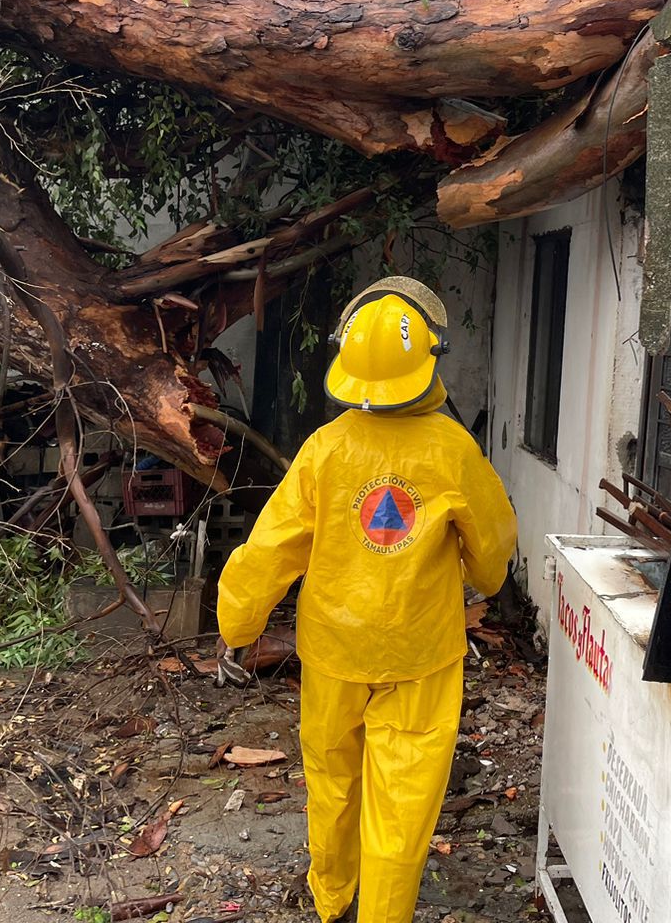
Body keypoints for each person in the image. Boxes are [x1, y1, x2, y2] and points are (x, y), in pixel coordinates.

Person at [215, 276, 517, 923]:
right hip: (420, 657)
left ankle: (333, 903)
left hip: (331, 654)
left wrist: (238, 621)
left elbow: (271, 548)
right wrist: (483, 580)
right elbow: (493, 554)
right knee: (402, 809)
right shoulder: (453, 451)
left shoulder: (325, 452)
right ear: (426, 361)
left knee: (332, 786)